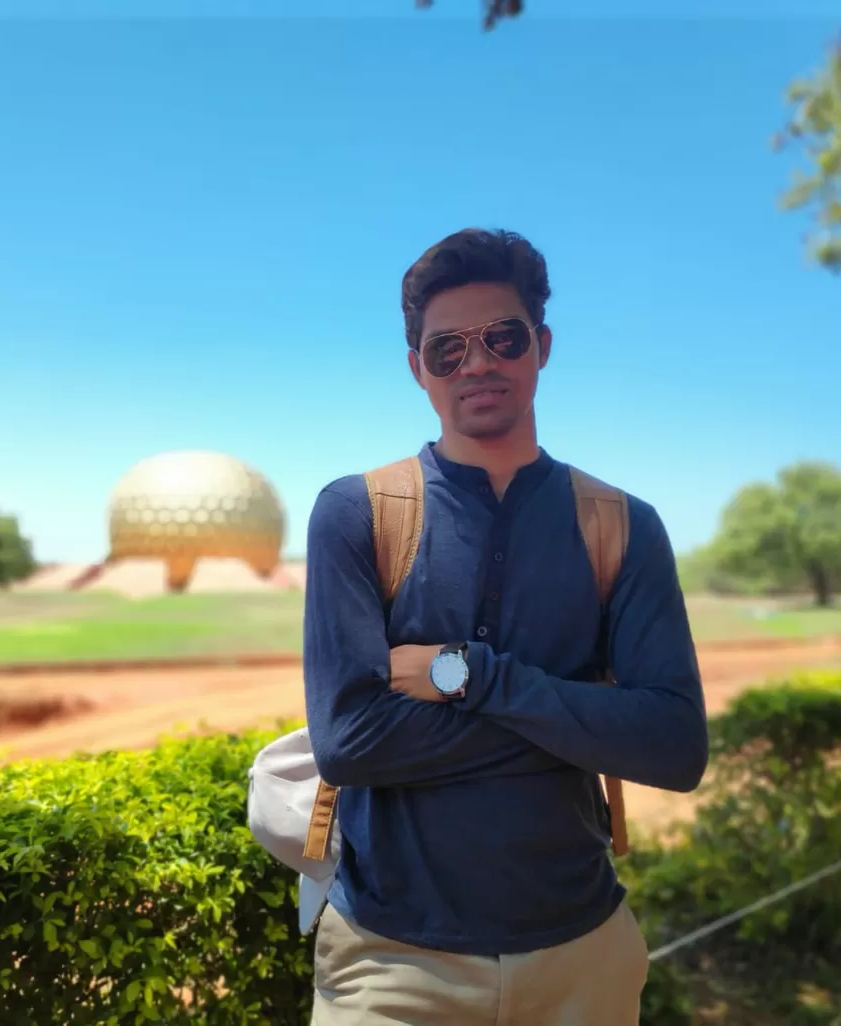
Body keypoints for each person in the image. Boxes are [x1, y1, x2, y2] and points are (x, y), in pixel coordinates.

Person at [301, 227, 709, 1024]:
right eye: (446, 349)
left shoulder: (621, 524)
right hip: (393, 960)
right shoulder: (358, 513)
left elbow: (674, 746)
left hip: (581, 955)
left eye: (502, 338)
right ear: (418, 369)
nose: (477, 362)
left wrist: (468, 676)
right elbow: (351, 743)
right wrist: (583, 716)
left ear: (542, 346)